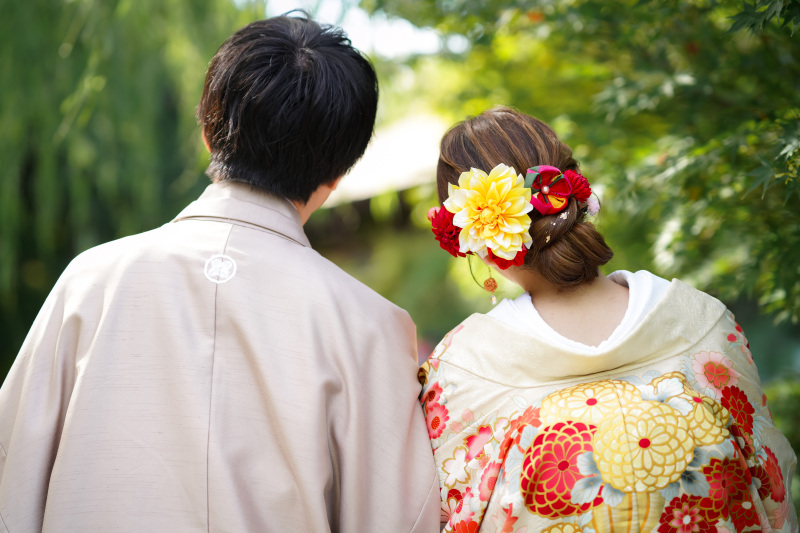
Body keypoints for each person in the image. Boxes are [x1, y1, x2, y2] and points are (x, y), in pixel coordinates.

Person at [0, 14, 439, 532]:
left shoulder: (91, 280)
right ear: (340, 172)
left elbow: (13, 472)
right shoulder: (372, 326)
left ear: (208, 129)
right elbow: (397, 518)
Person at [422, 106, 798, 532]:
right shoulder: (702, 322)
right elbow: (772, 484)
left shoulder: (464, 367)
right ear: (575, 197)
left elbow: (450, 515)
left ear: (474, 238)